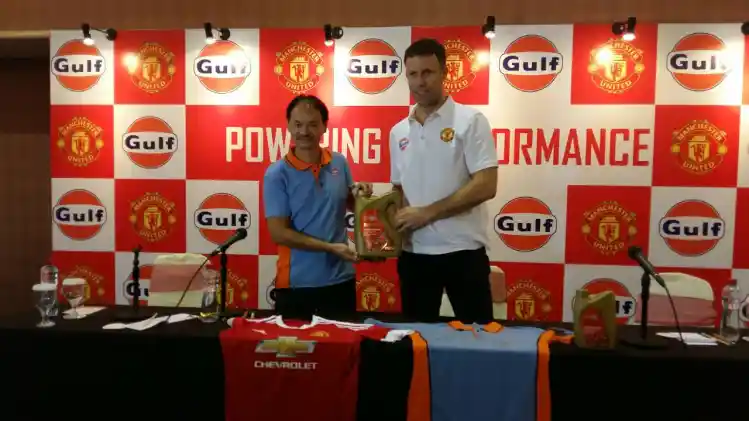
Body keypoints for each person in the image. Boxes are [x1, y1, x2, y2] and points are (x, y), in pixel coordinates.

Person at [389, 38, 498, 323]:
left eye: (428, 72)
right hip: (414, 255)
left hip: (464, 252)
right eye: (413, 74)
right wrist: (378, 219)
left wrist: (426, 213)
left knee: (478, 338)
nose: (420, 81)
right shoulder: (398, 131)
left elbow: (487, 184)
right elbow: (399, 191)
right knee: (416, 340)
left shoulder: (471, 120)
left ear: (444, 72)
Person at [263, 95, 373, 319]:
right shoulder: (276, 174)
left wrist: (363, 196)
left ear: (324, 126)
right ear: (288, 125)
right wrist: (330, 248)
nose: (304, 131)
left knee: (342, 341)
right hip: (297, 285)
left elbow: (352, 204)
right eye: (298, 124)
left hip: (341, 280)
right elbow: (279, 233)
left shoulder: (339, 162)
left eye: (312, 124)